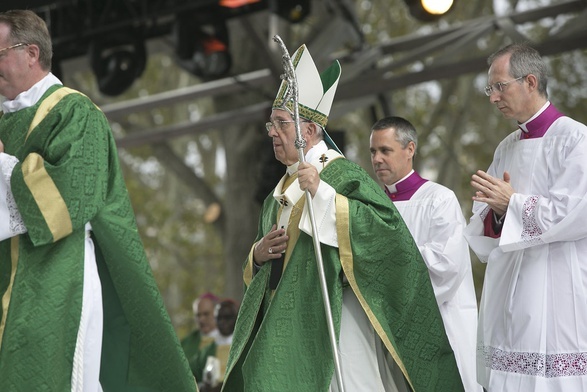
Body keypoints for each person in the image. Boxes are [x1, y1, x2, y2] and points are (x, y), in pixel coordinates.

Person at [221, 43, 464, 391]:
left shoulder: (342, 175)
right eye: (270, 124)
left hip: (337, 315)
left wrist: (322, 195)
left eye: (281, 124)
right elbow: (264, 267)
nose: (272, 132)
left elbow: (387, 235)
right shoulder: (278, 192)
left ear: (308, 132)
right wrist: (257, 255)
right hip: (291, 320)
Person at [0, 9, 197, 391]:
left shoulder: (75, 112)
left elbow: (68, 199)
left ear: (31, 53)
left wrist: (4, 165)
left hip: (57, 275)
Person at [464, 43, 587, 391]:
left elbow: (575, 212)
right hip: (508, 287)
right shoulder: (506, 147)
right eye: (490, 88)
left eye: (500, 86)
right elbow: (486, 214)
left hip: (556, 283)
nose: (493, 97)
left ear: (530, 82)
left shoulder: (575, 140)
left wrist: (513, 204)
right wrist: (500, 213)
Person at [369, 116, 481, 392]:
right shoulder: (370, 205)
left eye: (385, 150)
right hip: (389, 330)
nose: (377, 159)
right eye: (373, 151)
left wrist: (386, 260)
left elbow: (446, 265)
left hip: (439, 324)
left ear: (410, 150)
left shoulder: (439, 199)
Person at [195, 299, 239, 392]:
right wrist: (204, 387)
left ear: (237, 318)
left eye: (227, 318)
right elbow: (192, 376)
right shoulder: (206, 350)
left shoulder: (244, 347)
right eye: (219, 318)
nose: (223, 322)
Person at [181, 292, 220, 364]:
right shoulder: (186, 344)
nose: (201, 319)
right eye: (198, 315)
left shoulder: (230, 338)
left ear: (217, 313)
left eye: (206, 314)